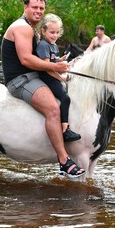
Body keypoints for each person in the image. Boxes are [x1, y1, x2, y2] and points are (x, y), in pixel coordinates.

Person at [1, 0, 85, 178]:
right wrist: (55, 66)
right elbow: (25, 59)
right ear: (26, 8)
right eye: (35, 8)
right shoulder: (22, 28)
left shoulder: (31, 28)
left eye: (41, 8)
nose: (38, 11)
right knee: (53, 108)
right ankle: (64, 160)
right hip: (20, 79)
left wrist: (57, 63)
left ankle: (66, 132)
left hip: (32, 76)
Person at [36, 13, 81, 143]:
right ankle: (65, 130)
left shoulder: (54, 45)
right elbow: (47, 67)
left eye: (56, 32)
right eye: (51, 32)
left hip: (53, 74)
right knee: (65, 98)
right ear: (43, 31)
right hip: (47, 77)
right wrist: (61, 79)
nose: (54, 35)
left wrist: (61, 60)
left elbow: (53, 61)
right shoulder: (44, 45)